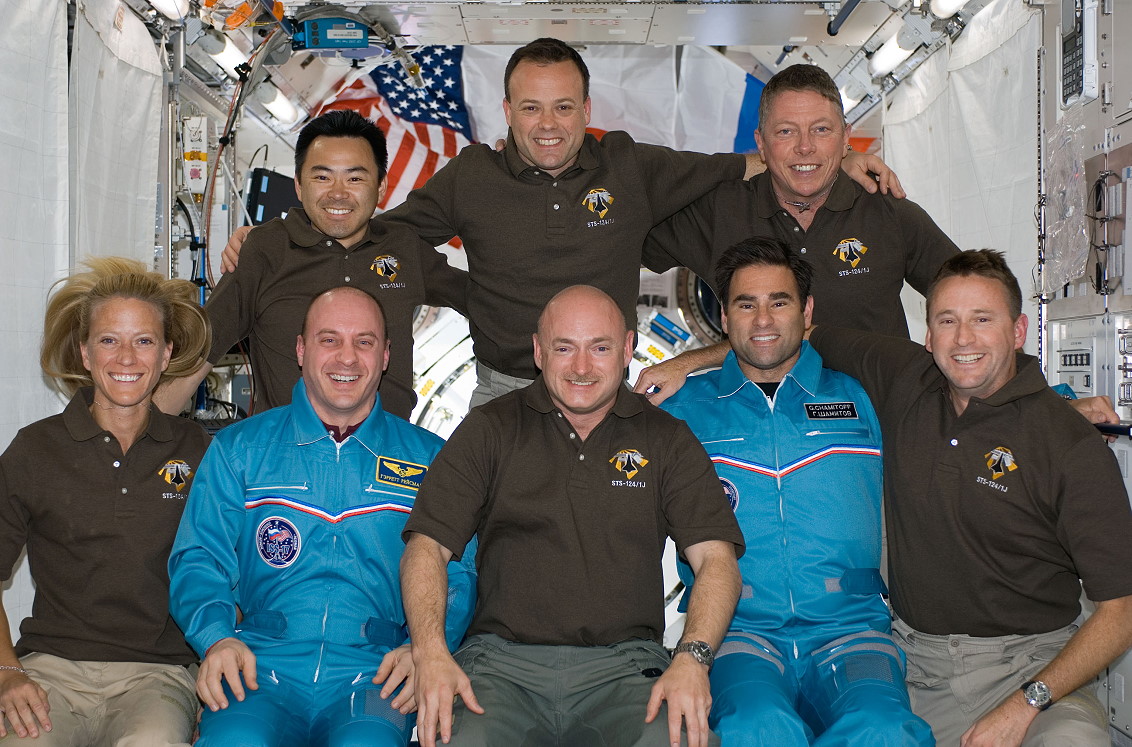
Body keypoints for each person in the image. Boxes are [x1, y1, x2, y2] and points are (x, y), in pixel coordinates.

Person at [221, 39, 900, 408]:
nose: (548, 125)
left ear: (586, 109)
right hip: (501, 390)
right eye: (532, 108)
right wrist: (272, 236)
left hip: (605, 388)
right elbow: (377, 230)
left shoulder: (631, 166)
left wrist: (838, 164)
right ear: (507, 112)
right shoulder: (471, 177)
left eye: (564, 108)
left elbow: (746, 164)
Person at [806, 250, 1132, 746]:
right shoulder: (905, 378)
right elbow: (786, 332)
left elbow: (1121, 612)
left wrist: (1025, 704)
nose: (963, 339)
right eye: (947, 320)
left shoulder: (1070, 445)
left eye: (983, 319)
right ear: (928, 335)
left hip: (1034, 671)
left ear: (1018, 331)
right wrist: (690, 364)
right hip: (916, 668)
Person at [400, 285, 745, 747]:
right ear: (538, 351)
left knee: (678, 739)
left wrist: (692, 660)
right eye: (564, 348)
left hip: (627, 669)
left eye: (599, 348)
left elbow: (717, 562)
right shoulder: (490, 428)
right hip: (500, 668)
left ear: (628, 348)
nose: (582, 368)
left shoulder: (667, 439)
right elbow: (426, 547)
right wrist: (430, 653)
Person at [168, 287, 476, 746]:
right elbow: (199, 558)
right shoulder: (240, 449)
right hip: (257, 668)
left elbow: (459, 575)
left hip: (378, 676)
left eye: (364, 342)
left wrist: (426, 647)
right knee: (236, 741)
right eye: (329, 340)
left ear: (386, 356)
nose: (346, 358)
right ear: (301, 350)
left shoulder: (430, 459)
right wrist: (216, 638)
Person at [660, 238, 933, 745]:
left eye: (779, 302)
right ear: (724, 316)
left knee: (886, 731)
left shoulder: (862, 394)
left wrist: (1062, 406)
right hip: (738, 635)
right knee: (755, 728)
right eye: (746, 304)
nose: (763, 320)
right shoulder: (680, 412)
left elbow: (967, 398)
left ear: (806, 312)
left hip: (852, 631)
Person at [634, 62, 957, 403]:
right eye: (786, 132)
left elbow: (974, 300)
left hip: (880, 421)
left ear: (845, 138)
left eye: (821, 130)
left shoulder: (889, 213)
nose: (805, 147)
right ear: (761, 143)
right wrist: (683, 362)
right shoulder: (718, 213)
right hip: (761, 425)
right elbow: (616, 233)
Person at [0, 257, 212, 745]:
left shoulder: (199, 451)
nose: (127, 358)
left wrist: (213, 665)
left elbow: (232, 574)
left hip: (158, 675)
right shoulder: (35, 449)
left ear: (166, 354)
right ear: (84, 353)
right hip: (50, 670)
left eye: (144, 341)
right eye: (109, 340)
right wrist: (7, 672)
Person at [156, 110, 469, 420]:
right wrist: (137, 438)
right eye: (322, 177)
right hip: (287, 448)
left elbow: (482, 300)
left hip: (388, 450)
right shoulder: (265, 250)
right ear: (298, 185)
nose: (338, 193)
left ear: (381, 186)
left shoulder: (403, 247)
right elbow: (198, 357)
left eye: (355, 178)